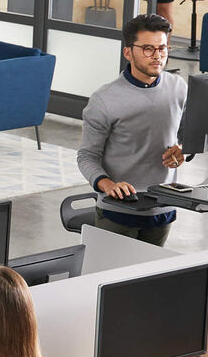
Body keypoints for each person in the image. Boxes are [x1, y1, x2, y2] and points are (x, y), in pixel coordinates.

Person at [77, 13, 187, 245]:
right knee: (113, 279)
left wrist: (182, 150)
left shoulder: (178, 88)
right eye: (148, 49)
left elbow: (186, 135)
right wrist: (108, 185)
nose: (157, 56)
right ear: (128, 52)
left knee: (150, 280)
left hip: (162, 207)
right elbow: (87, 156)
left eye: (163, 48)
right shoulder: (104, 100)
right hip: (119, 210)